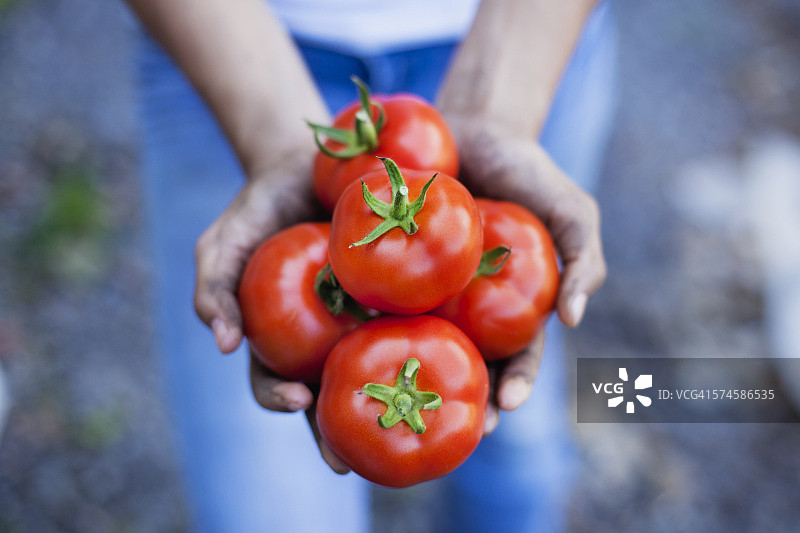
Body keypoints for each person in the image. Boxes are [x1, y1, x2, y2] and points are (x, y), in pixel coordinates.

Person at [126, 0, 617, 531]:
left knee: (520, 469)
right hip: (216, 45)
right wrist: (272, 139)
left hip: (535, 37)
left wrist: (499, 104)